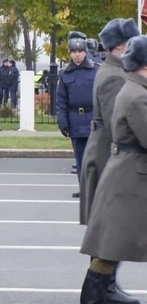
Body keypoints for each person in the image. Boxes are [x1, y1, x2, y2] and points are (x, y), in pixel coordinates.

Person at [78, 33, 147, 304]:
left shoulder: (134, 88)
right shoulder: (137, 95)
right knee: (109, 246)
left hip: (129, 174)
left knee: (111, 244)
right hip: (128, 178)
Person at [56, 33, 96, 199]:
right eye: (74, 51)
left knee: (94, 157)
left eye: (80, 51)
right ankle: (84, 187)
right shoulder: (65, 74)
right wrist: (62, 122)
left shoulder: (96, 70)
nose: (77, 54)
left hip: (93, 118)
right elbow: (61, 101)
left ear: (85, 52)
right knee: (80, 158)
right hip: (75, 119)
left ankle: (95, 188)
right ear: (70, 53)